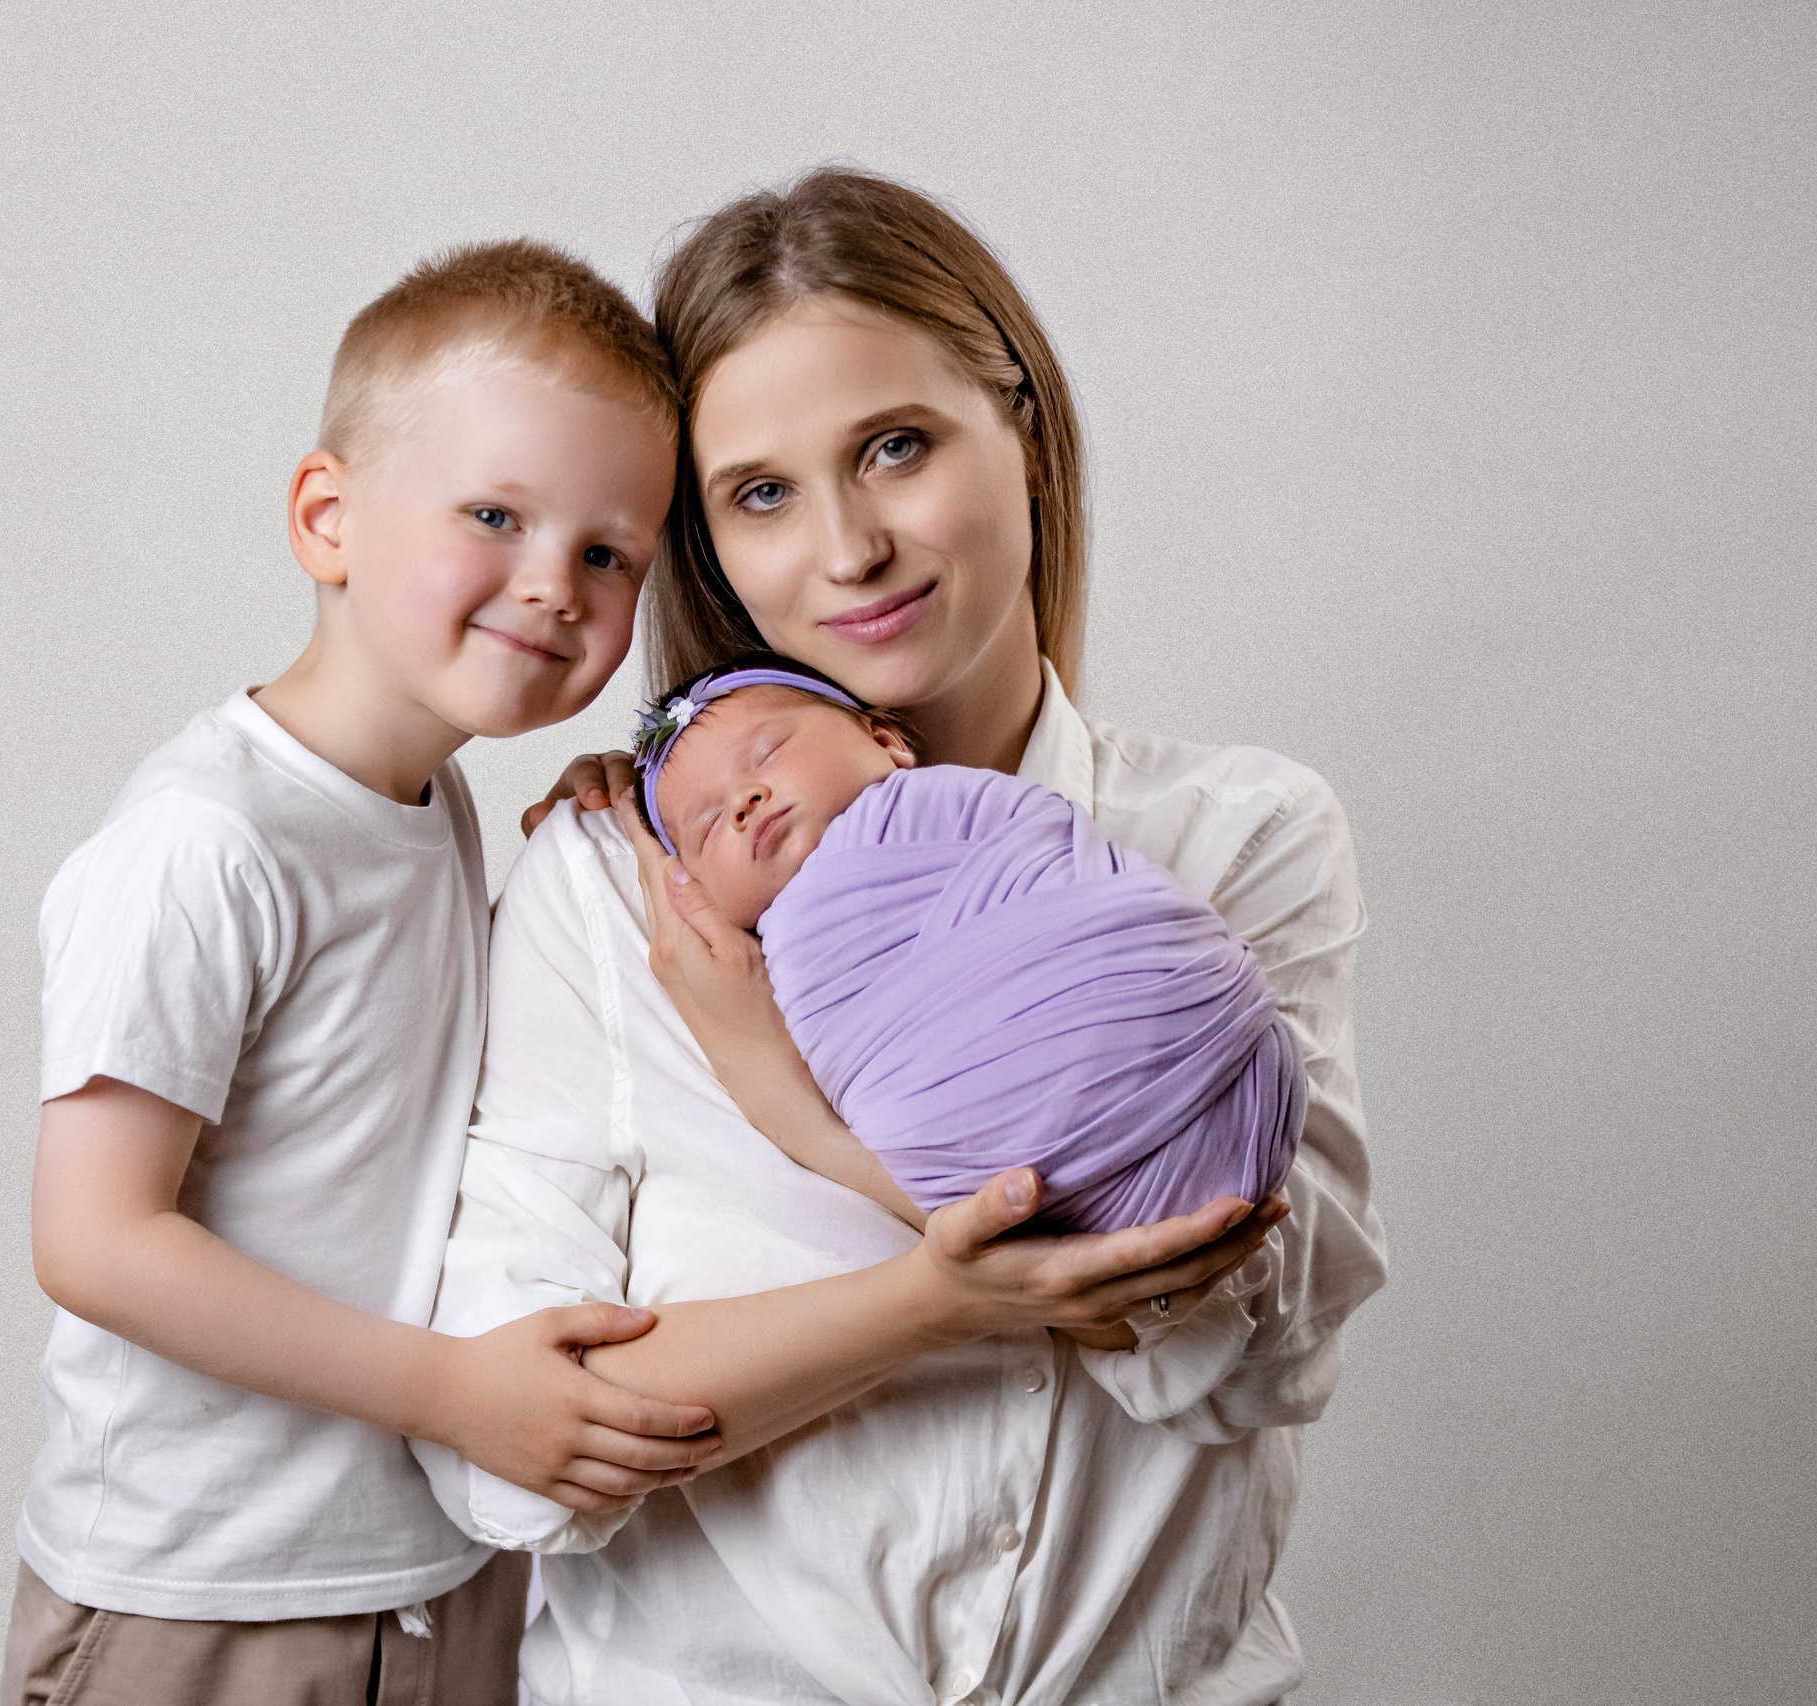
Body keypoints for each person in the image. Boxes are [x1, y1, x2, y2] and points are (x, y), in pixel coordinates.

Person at [416, 169, 1387, 1704]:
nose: (851, 546)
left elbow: (1259, 1356)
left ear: (1027, 433)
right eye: (760, 493)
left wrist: (807, 1117)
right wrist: (929, 1298)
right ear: (706, 546)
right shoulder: (614, 889)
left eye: (895, 446)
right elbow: (523, 1463)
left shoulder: (1235, 836)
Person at [0, 240, 727, 1706]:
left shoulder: (433, 800)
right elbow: (97, 1239)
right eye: (494, 515)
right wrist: (457, 1393)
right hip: (202, 1593)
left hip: (432, 1570)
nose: (552, 584)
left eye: (607, 554)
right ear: (327, 519)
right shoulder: (207, 841)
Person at [632, 655, 1305, 1242]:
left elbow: (1060, 861)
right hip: (1048, 1185)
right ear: (696, 892)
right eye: (709, 824)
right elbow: (861, 1064)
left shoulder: (951, 807)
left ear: (886, 741)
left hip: (1211, 1061)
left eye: (769, 751)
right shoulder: (778, 968)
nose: (745, 802)